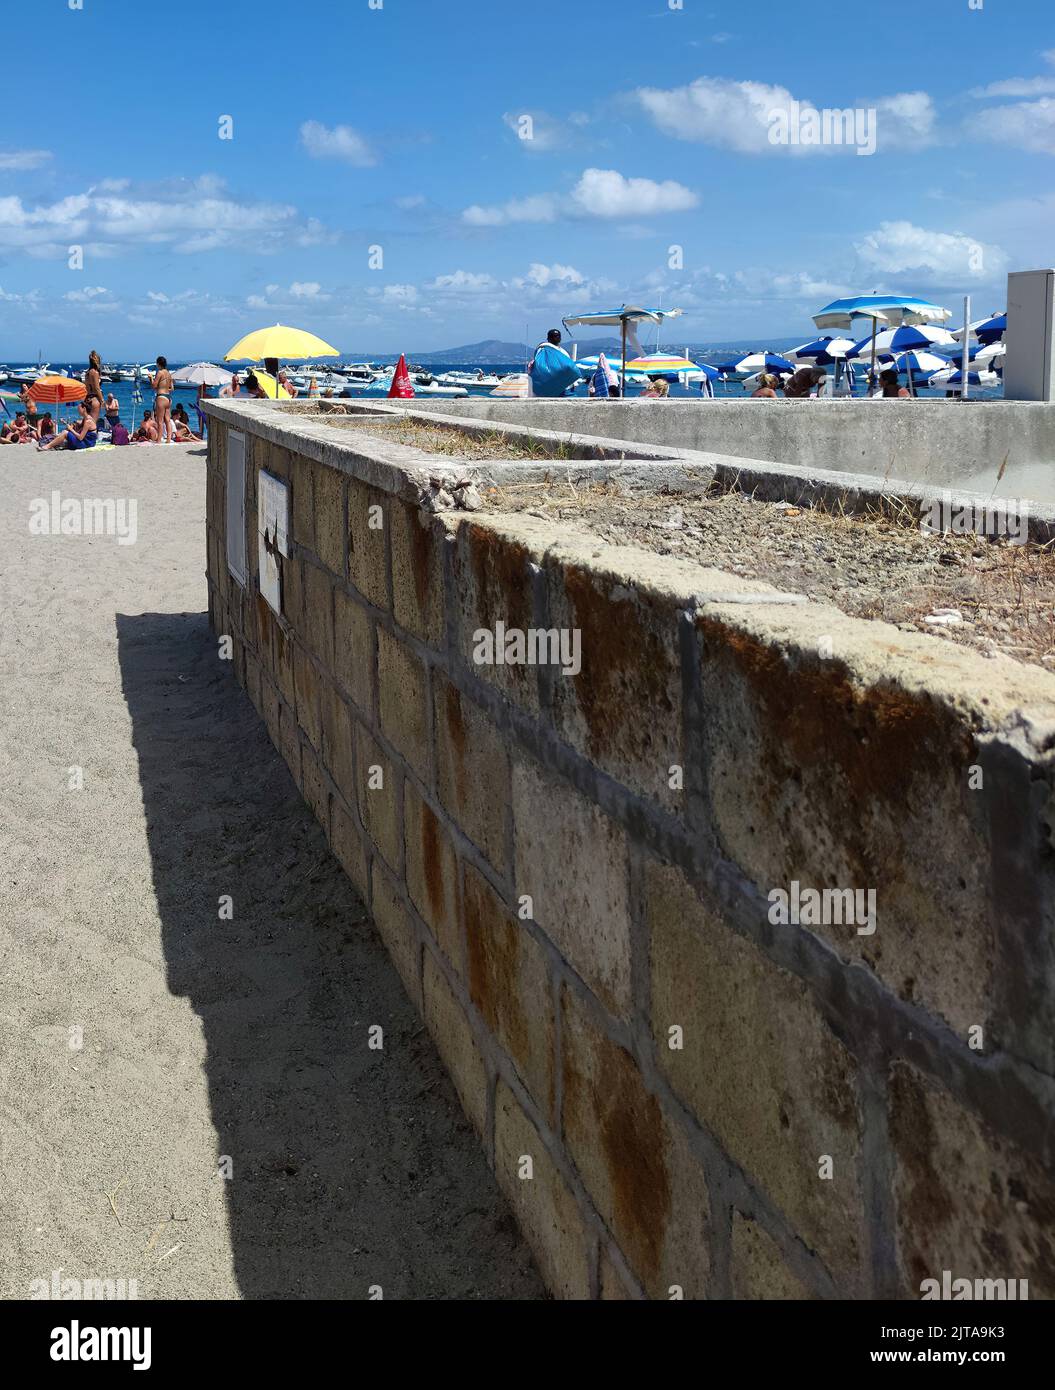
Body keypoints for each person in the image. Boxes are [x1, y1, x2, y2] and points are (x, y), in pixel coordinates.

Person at [528, 328, 579, 398]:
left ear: (548, 339)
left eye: (557, 336)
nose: (556, 338)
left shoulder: (542, 350)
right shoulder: (561, 352)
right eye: (554, 336)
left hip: (553, 387)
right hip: (565, 387)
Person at [151, 355, 174, 442]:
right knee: (168, 420)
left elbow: (154, 385)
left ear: (158, 364)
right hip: (168, 397)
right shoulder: (168, 373)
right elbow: (172, 388)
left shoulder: (160, 372)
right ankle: (168, 439)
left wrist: (151, 379)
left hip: (161, 397)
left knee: (159, 420)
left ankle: (159, 439)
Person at [84, 350, 106, 427]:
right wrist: (102, 400)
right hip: (95, 399)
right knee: (93, 424)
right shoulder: (95, 373)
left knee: (86, 422)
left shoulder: (87, 373)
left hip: (87, 398)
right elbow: (97, 388)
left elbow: (86, 387)